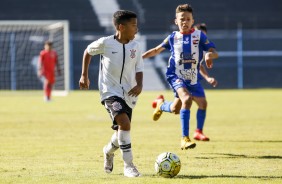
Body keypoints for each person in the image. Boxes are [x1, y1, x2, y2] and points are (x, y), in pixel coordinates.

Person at [142, 4, 218, 150]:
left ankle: (161, 105)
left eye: (188, 19)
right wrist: (140, 58)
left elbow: (214, 52)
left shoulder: (199, 35)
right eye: (182, 19)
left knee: (176, 109)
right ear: (176, 21)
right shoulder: (173, 38)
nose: (185, 21)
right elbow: (156, 50)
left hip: (192, 78)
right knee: (187, 99)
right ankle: (185, 138)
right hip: (175, 75)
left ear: (192, 20)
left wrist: (209, 54)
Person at [79, 10, 143, 177]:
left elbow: (139, 68)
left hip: (129, 94)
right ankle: (129, 166)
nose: (136, 29)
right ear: (121, 27)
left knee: (121, 131)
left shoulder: (135, 46)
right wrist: (84, 75)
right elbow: (87, 51)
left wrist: (140, 85)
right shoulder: (106, 43)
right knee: (125, 124)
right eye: (133, 25)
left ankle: (108, 151)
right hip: (109, 92)